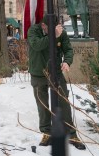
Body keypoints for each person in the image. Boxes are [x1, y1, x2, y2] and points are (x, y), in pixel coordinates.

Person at [28, 15, 86, 150]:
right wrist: (54, 35)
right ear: (43, 26)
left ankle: (71, 133)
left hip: (55, 72)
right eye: (50, 29)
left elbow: (68, 49)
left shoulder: (60, 32)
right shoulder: (33, 31)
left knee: (63, 100)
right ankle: (46, 132)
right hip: (38, 72)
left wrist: (67, 61)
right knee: (42, 103)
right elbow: (37, 45)